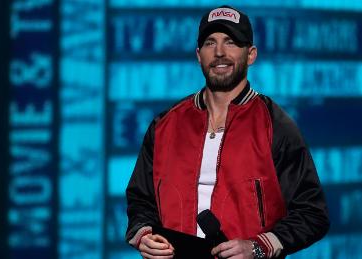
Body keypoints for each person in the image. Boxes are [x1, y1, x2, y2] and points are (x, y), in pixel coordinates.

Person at [125, 5, 330, 259]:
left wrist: (259, 246)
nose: (219, 52)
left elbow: (312, 213)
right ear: (199, 55)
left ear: (251, 54)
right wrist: (145, 235)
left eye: (231, 42)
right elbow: (140, 200)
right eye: (210, 43)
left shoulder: (276, 126)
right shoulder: (164, 125)